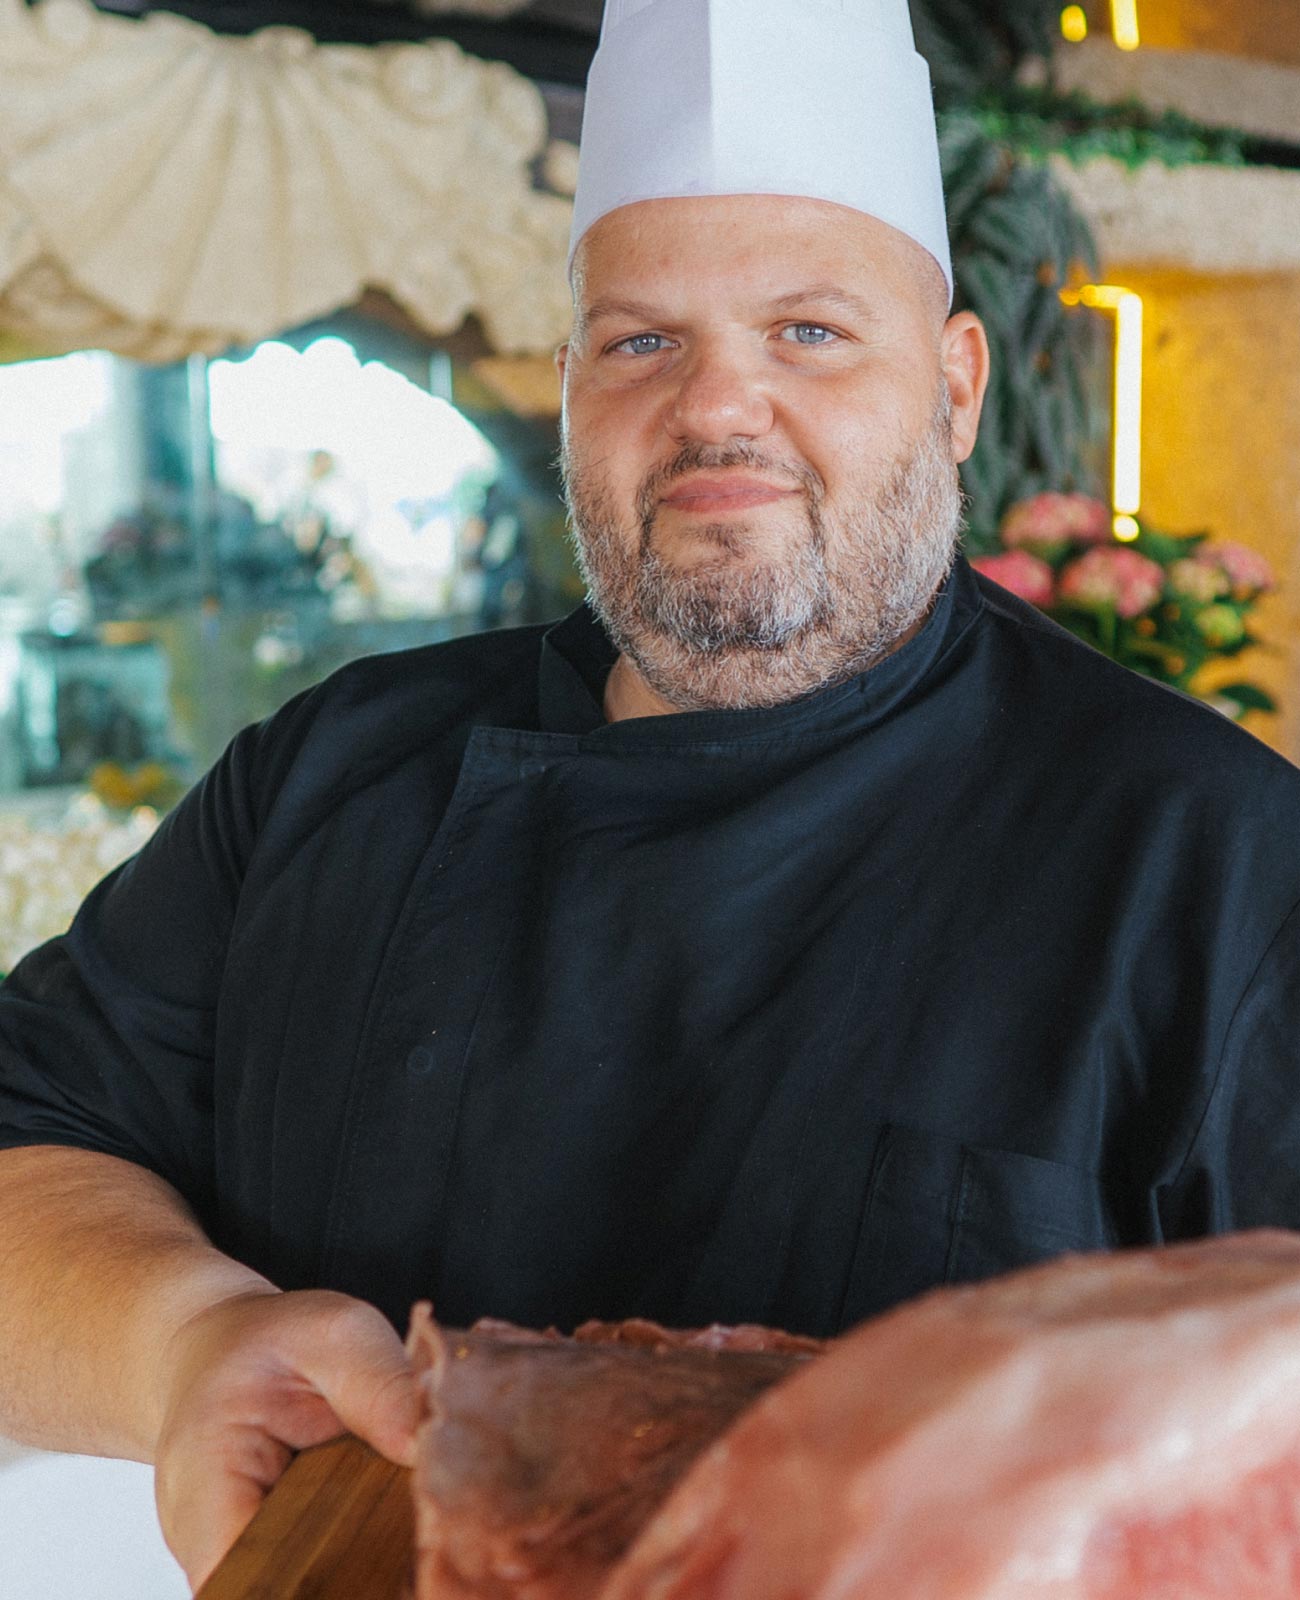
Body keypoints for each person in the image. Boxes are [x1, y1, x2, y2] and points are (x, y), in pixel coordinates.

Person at [2, 0, 1300, 1591]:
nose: (716, 408)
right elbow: (28, 1139)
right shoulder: (329, 773)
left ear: (957, 388)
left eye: (809, 331)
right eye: (642, 341)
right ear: (568, 391)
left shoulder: (1212, 855)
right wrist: (186, 1342)